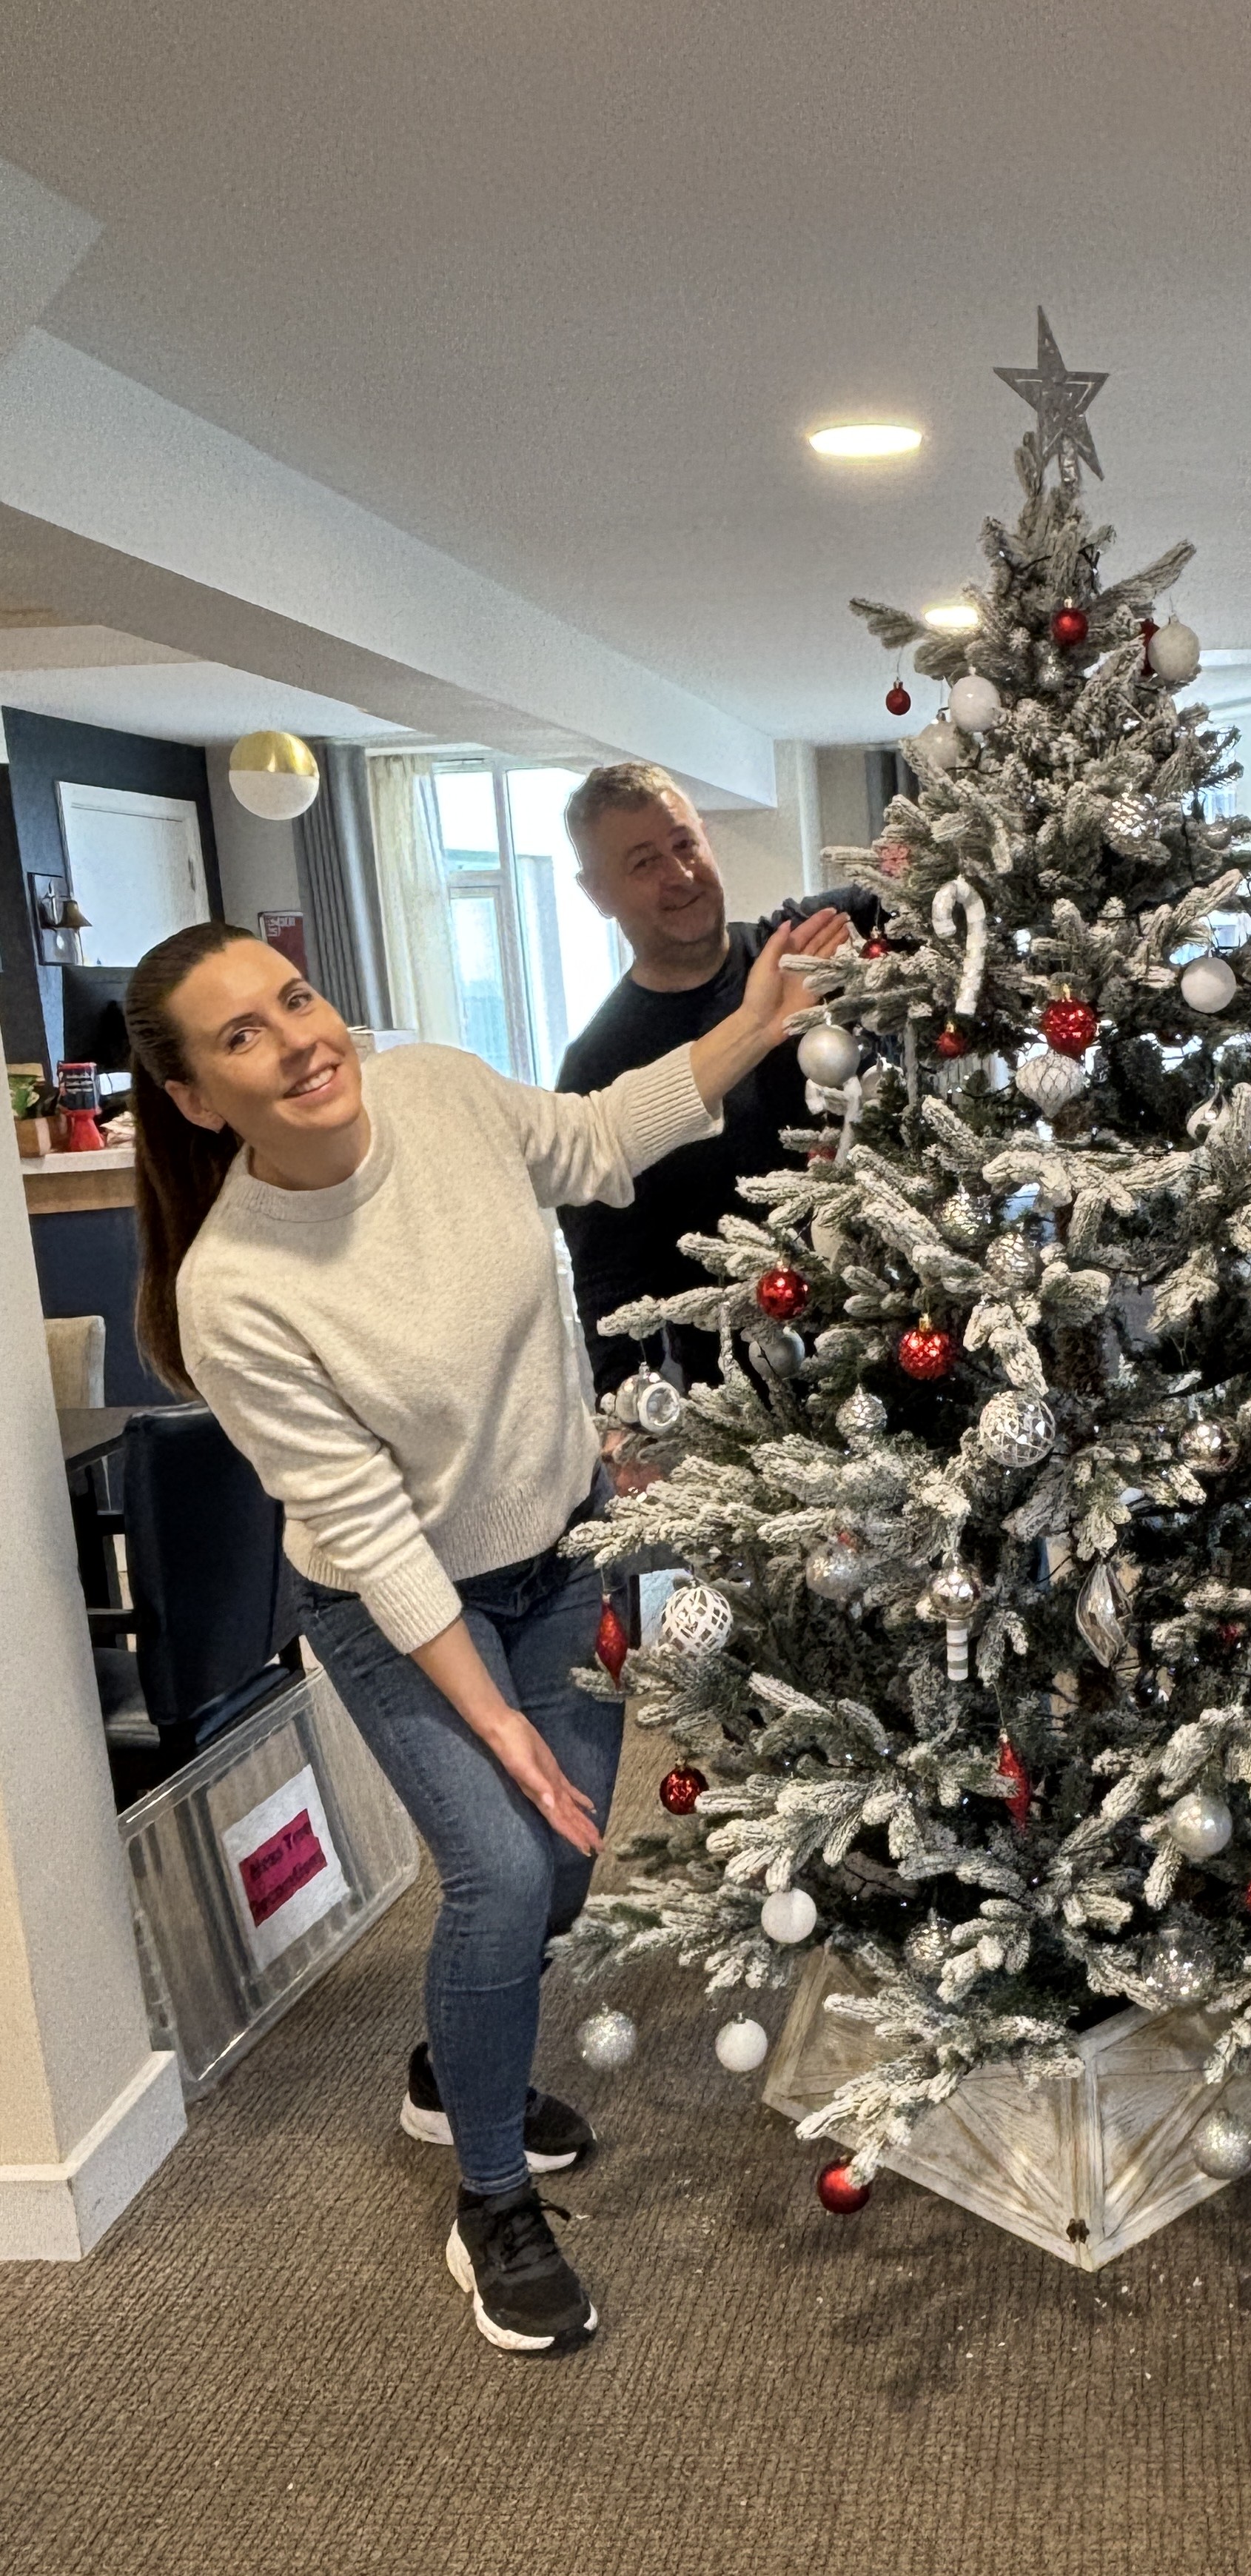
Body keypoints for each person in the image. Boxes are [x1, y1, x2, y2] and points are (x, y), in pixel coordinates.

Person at [123, 904, 845, 2356]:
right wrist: (497, 1714)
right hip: (400, 1609)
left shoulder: (440, 1089)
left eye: (296, 996)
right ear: (199, 1095)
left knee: (564, 1864)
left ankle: (457, 2061)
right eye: (242, 1033)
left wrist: (755, 1023)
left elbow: (588, 1137)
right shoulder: (237, 1288)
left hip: (559, 1550)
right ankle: (491, 2194)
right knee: (502, 1870)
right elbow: (374, 1533)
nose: (299, 1038)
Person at [555, 762, 878, 1396]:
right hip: (744, 1401)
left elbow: (939, 894)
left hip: (909, 1338)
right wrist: (632, 1413)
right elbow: (608, 1280)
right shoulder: (597, 1070)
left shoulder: (804, 949)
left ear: (706, 839)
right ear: (596, 892)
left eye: (684, 845)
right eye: (644, 862)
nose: (679, 876)